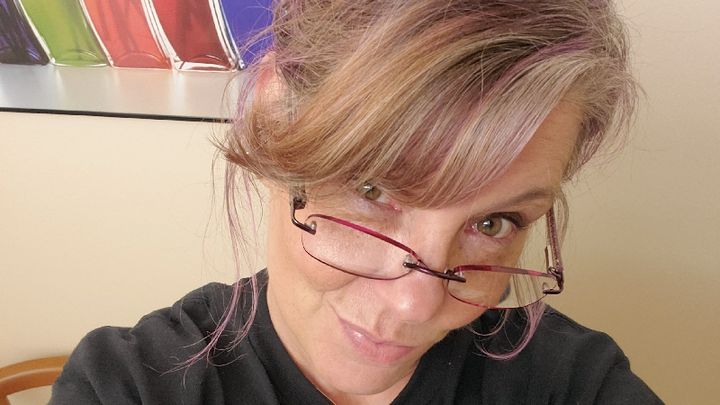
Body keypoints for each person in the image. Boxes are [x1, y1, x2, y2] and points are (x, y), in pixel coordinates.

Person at [51, 0, 662, 403]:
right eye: (373, 190)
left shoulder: (574, 385)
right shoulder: (128, 388)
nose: (417, 303)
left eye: (494, 222)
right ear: (272, 118)